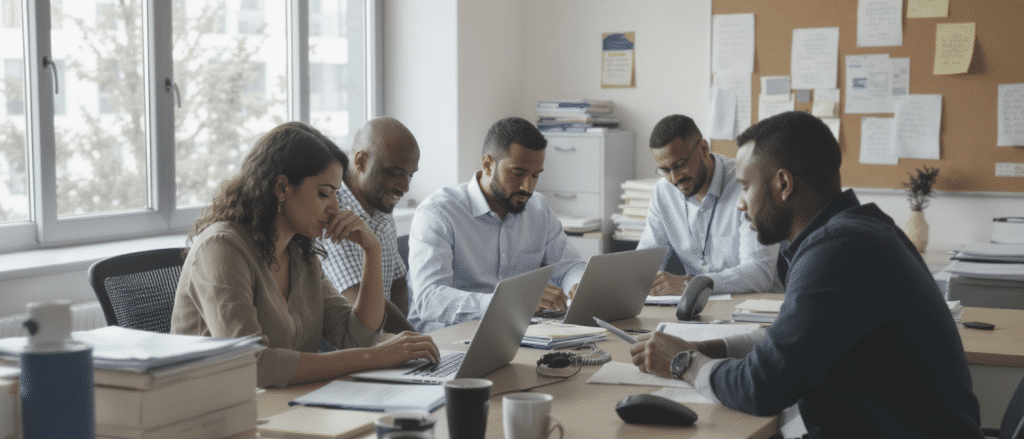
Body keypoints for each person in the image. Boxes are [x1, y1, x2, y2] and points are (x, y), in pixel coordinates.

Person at [630, 111, 982, 438]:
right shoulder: (853, 233)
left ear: (782, 184)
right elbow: (790, 340)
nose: (740, 203)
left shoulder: (838, 252)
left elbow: (761, 387)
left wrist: (683, 362)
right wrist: (706, 347)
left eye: (746, 187)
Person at [171, 122, 439, 388]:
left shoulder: (301, 254)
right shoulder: (221, 248)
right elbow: (254, 365)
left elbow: (358, 337)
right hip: (215, 414)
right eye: (324, 193)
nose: (335, 209)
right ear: (282, 187)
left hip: (285, 407)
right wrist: (374, 357)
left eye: (336, 194)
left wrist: (372, 250)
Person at [407, 117, 587, 331]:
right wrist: (509, 303)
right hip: (450, 335)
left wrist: (576, 285)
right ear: (487, 165)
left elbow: (570, 266)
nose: (527, 187)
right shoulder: (438, 212)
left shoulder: (538, 208)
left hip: (518, 327)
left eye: (535, 175)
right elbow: (430, 299)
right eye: (518, 173)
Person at [639, 114, 779, 296]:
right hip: (697, 309)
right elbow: (644, 264)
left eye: (680, 165)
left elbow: (759, 274)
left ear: (704, 149)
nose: (674, 178)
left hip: (752, 309)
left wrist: (692, 284)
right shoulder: (664, 192)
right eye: (665, 170)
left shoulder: (746, 185)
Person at [318, 117, 419, 334]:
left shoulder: (380, 208)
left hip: (379, 344)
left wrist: (402, 339)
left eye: (410, 175)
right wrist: (411, 338)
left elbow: (397, 282)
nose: (405, 187)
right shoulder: (333, 212)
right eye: (396, 172)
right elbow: (356, 298)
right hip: (347, 349)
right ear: (361, 162)